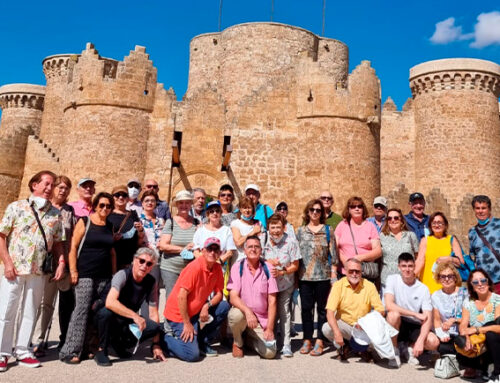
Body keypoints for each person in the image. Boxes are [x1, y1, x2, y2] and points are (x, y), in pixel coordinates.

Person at [0, 171, 65, 372]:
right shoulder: (16, 207)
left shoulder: (55, 214)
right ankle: (2, 352)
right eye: (46, 184)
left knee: (30, 309)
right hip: (15, 268)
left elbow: (59, 242)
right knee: (7, 309)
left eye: (52, 185)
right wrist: (7, 262)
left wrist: (61, 261)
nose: (49, 188)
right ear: (34, 184)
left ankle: (22, 350)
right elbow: (2, 236)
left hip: (38, 270)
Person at [60, 192, 117, 364]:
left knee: (94, 311)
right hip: (85, 273)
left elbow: (112, 251)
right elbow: (73, 247)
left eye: (108, 206)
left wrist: (114, 274)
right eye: (102, 205)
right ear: (95, 206)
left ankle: (86, 348)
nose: (105, 208)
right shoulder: (85, 221)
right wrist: (74, 270)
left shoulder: (110, 225)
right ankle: (69, 351)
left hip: (104, 275)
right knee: (81, 310)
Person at [94, 247, 166, 366]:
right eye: (141, 261)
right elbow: (110, 302)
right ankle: (102, 350)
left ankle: (119, 345)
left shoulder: (151, 282)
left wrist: (156, 344)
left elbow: (153, 313)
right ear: (134, 259)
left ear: (152, 267)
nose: (144, 266)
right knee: (105, 313)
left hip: (125, 318)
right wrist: (135, 316)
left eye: (149, 264)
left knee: (153, 327)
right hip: (106, 315)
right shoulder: (122, 275)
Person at [162, 237, 230, 361]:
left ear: (220, 253)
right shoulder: (195, 267)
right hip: (179, 315)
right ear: (203, 251)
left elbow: (219, 294)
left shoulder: (217, 268)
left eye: (216, 250)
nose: (212, 253)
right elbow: (181, 296)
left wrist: (207, 306)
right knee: (191, 355)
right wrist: (187, 323)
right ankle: (165, 340)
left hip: (196, 310)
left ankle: (202, 341)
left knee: (224, 307)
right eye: (209, 249)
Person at [33, 175, 76, 355]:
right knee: (46, 303)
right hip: (49, 263)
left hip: (65, 263)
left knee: (67, 304)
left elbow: (72, 238)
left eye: (66, 187)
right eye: (60, 186)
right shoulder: (45, 208)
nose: (62, 190)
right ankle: (38, 340)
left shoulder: (69, 211)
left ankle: (65, 339)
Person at [322, 258, 388, 363]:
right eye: (351, 271)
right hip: (346, 325)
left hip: (364, 327)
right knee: (326, 328)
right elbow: (330, 312)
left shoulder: (369, 286)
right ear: (345, 271)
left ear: (361, 272)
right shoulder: (338, 286)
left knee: (382, 334)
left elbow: (380, 310)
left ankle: (364, 350)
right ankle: (345, 346)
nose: (354, 274)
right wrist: (337, 333)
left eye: (357, 271)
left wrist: (366, 323)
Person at [297, 199, 337, 356]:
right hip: (305, 276)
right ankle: (307, 339)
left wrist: (333, 274)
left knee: (322, 309)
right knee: (306, 309)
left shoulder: (328, 230)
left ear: (322, 213)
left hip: (323, 276)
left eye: (318, 210)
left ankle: (320, 340)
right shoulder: (300, 231)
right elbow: (296, 255)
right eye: (312, 210)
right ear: (308, 212)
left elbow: (333, 254)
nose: (315, 212)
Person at [227, 236, 278, 359]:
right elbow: (233, 297)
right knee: (235, 315)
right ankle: (238, 342)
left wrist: (270, 329)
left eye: (256, 247)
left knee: (270, 353)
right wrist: (248, 311)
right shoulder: (237, 267)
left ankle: (248, 339)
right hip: (244, 315)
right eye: (250, 246)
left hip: (261, 320)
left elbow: (272, 301)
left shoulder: (268, 268)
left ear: (261, 250)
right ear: (244, 250)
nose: (253, 249)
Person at [385, 253, 440, 366]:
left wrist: (420, 341)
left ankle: (409, 348)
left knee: (433, 342)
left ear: (415, 267)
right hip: (398, 321)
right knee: (392, 315)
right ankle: (395, 351)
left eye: (410, 266)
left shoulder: (423, 288)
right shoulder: (392, 279)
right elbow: (389, 305)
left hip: (413, 324)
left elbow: (427, 317)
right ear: (398, 267)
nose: (407, 269)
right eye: (404, 266)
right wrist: (414, 314)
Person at [262, 214, 301, 357]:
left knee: (285, 313)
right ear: (269, 228)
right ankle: (269, 340)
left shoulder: (291, 241)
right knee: (269, 312)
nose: (275, 230)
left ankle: (286, 345)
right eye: (272, 227)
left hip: (285, 283)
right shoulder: (264, 239)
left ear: (283, 227)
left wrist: (283, 271)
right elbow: (257, 258)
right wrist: (268, 262)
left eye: (278, 227)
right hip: (267, 284)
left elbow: (295, 265)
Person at [459, 269, 500, 382]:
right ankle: (483, 369)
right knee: (460, 340)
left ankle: (497, 373)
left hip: (495, 342)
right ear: (471, 286)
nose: (480, 284)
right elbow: (463, 325)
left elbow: (499, 328)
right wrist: (466, 336)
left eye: (483, 280)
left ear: (488, 281)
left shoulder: (497, 300)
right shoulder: (468, 302)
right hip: (479, 345)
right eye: (476, 282)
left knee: (491, 331)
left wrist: (476, 329)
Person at [157, 190, 198, 299]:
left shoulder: (197, 223)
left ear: (191, 204)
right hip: (170, 269)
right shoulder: (170, 222)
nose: (184, 205)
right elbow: (163, 245)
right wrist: (183, 249)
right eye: (181, 203)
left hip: (189, 270)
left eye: (187, 202)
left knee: (187, 300)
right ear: (177, 205)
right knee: (172, 299)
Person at [431, 264, 470, 372]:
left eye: (450, 276)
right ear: (438, 278)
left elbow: (471, 319)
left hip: (463, 332)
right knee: (442, 347)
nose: (446, 279)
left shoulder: (465, 293)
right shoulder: (435, 296)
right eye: (443, 276)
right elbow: (437, 320)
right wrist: (441, 335)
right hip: (447, 334)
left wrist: (454, 320)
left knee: (462, 344)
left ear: (455, 277)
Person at [334, 196, 381, 282]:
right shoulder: (342, 225)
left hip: (364, 272)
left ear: (363, 209)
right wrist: (345, 261)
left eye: (360, 206)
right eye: (353, 207)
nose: (357, 209)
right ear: (348, 209)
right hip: (345, 272)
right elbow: (335, 247)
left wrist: (360, 258)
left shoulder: (370, 226)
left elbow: (378, 251)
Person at [415, 211, 463, 294]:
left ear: (445, 225)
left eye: (440, 223)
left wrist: (449, 259)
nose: (437, 225)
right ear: (430, 225)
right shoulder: (425, 240)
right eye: (434, 223)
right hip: (429, 284)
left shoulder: (451, 240)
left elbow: (461, 262)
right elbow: (420, 260)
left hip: (448, 285)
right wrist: (411, 277)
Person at [379, 208, 419, 288]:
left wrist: (415, 274)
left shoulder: (410, 236)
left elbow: (417, 257)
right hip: (387, 282)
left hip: (407, 282)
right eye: (389, 218)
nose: (393, 220)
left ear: (401, 220)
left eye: (396, 218)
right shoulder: (382, 236)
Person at [468, 195, 500, 293]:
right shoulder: (472, 232)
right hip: (484, 283)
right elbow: (473, 256)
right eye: (477, 208)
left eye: (483, 208)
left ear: (489, 209)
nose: (480, 211)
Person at [108, 185, 145, 270]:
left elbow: (139, 238)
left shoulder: (133, 214)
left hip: (129, 261)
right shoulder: (107, 213)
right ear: (112, 197)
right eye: (117, 195)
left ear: (128, 198)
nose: (121, 197)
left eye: (124, 195)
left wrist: (140, 230)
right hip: (110, 260)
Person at [139, 189, 165, 299]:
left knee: (154, 290)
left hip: (157, 260)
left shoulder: (161, 221)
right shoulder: (138, 220)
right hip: (142, 259)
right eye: (147, 200)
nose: (150, 203)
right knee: (139, 288)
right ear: (142, 203)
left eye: (153, 201)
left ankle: (151, 315)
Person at [193, 201, 236, 266]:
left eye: (217, 211)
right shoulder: (200, 230)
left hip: (220, 267)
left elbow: (230, 252)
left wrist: (217, 263)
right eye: (212, 211)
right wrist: (206, 264)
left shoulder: (226, 230)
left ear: (221, 213)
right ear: (207, 214)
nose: (215, 213)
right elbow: (196, 251)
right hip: (202, 267)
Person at [231, 197, 262, 262]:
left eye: (249, 208)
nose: (247, 210)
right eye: (244, 208)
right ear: (240, 209)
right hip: (240, 260)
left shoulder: (258, 223)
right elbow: (238, 242)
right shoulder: (235, 223)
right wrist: (253, 232)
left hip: (255, 260)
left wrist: (243, 237)